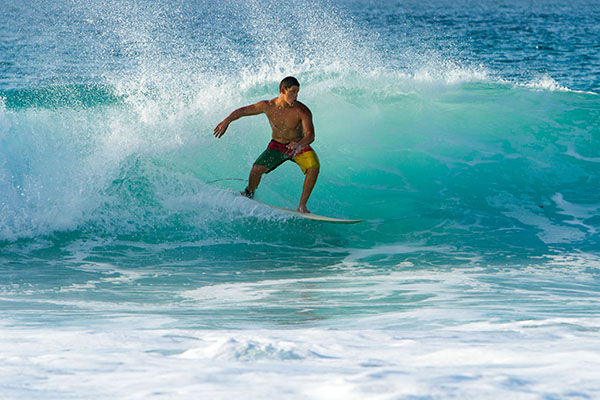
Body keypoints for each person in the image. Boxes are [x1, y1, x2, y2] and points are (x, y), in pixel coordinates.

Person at [213, 76, 320, 213]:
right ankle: (249, 193)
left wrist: (299, 145)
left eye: (297, 92)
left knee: (314, 167)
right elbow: (243, 111)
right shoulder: (268, 106)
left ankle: (302, 206)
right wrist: (227, 120)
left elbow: (310, 135)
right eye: (293, 92)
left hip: (298, 145)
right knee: (256, 169)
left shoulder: (302, 111)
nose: (296, 96)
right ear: (283, 90)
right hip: (278, 146)